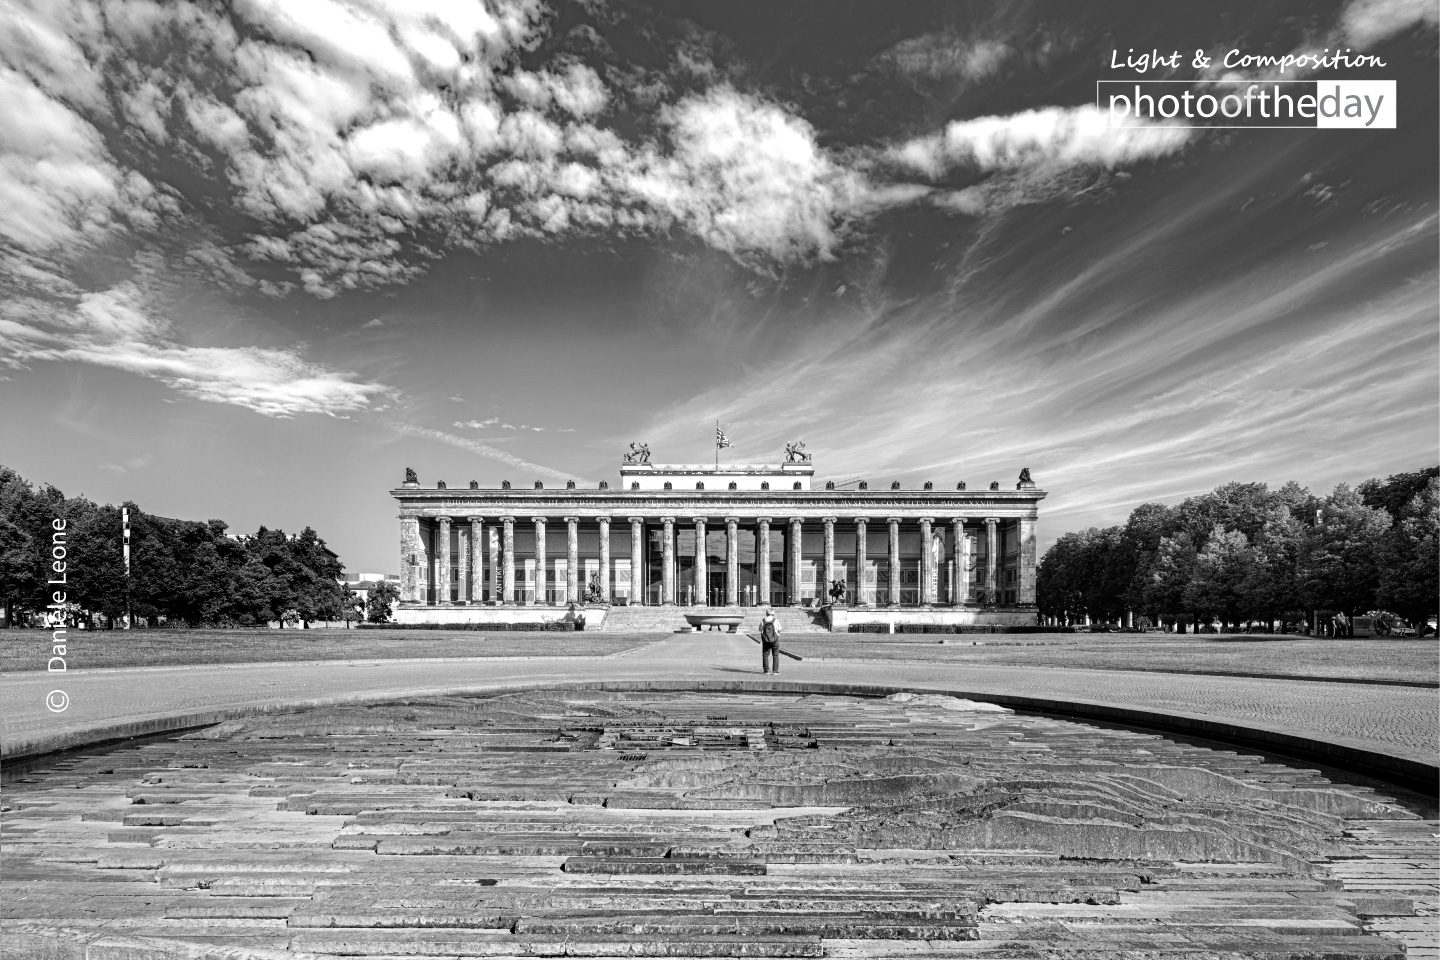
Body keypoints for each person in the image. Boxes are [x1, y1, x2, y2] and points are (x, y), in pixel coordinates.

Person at [759, 607, 782, 674]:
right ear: (773, 614)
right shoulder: (776, 620)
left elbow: (760, 630)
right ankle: (775, 671)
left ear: (766, 613)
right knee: (775, 655)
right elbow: (780, 629)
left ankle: (766, 671)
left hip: (766, 640)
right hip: (775, 640)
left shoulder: (763, 620)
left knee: (765, 655)